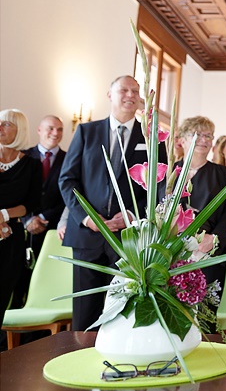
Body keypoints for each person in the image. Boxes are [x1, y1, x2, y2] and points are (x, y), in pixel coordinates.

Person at [59, 76, 166, 331]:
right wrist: (88, 218)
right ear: (110, 94)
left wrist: (131, 214)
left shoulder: (151, 138)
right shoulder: (87, 132)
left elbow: (157, 187)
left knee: (120, 313)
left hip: (127, 238)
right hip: (87, 236)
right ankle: (79, 365)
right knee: (84, 314)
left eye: (136, 91)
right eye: (124, 90)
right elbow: (67, 179)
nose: (130, 95)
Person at [176, 117, 226, 306]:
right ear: (182, 139)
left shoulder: (223, 174)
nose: (204, 140)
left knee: (206, 313)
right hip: (172, 252)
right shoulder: (169, 170)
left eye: (208, 135)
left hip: (209, 251)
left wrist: (214, 238)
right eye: (197, 134)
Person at [12, 116, 67, 309]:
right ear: (39, 130)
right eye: (51, 128)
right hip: (21, 229)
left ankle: (41, 335)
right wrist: (28, 219)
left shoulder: (69, 159)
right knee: (18, 282)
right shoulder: (21, 156)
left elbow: (69, 196)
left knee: (46, 283)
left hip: (52, 231)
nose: (56, 133)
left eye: (60, 129)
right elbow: (14, 193)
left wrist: (44, 217)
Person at [0, 109, 42, 329]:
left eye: (6, 124)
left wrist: (3, 215)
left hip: (12, 239)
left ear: (20, 130)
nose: (0, 129)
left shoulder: (32, 165)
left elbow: (32, 203)